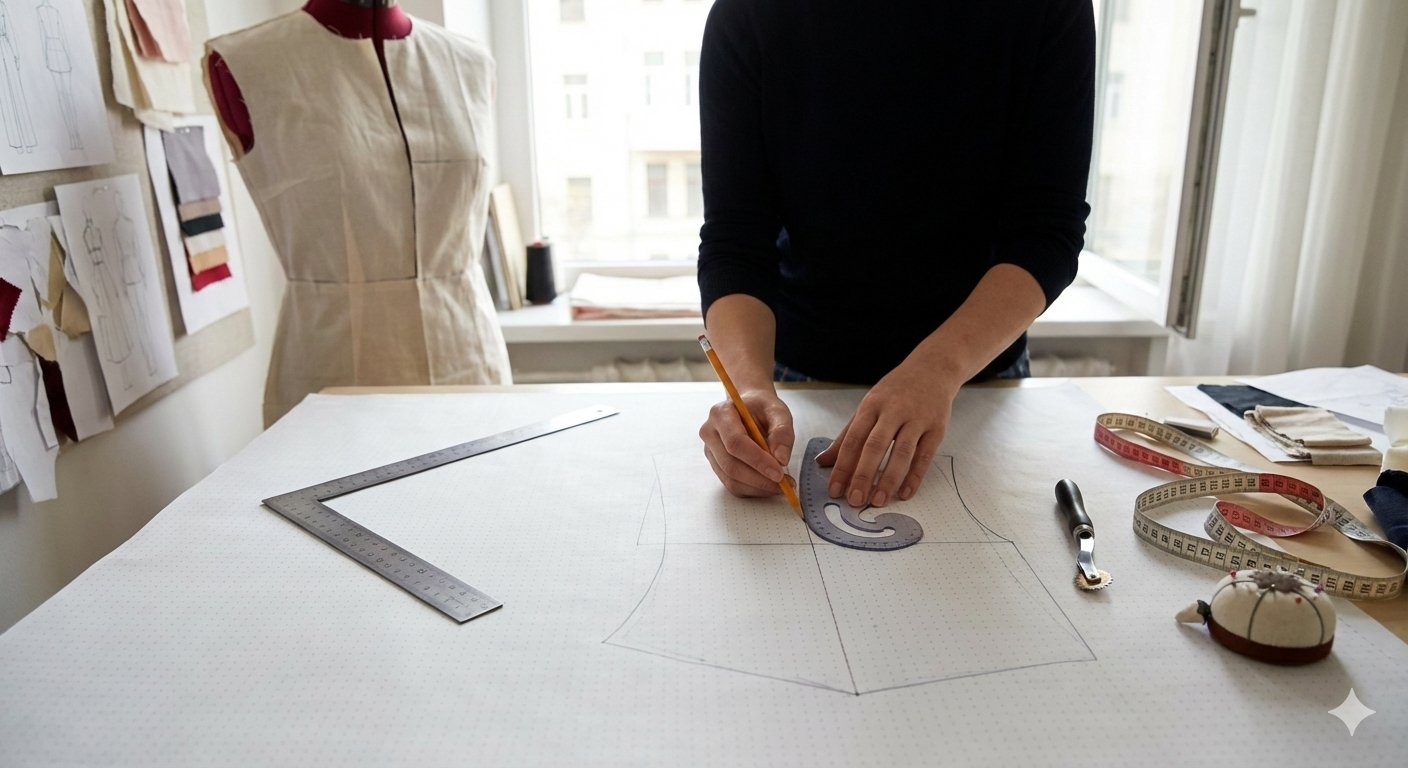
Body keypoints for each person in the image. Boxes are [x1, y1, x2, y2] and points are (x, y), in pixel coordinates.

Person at [696, 0, 1094, 509]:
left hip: (976, 376)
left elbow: (1046, 232)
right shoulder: (747, 12)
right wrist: (749, 390)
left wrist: (938, 368)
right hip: (805, 375)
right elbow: (736, 240)